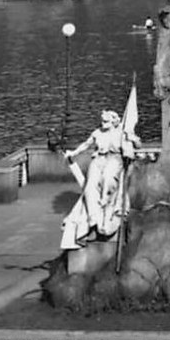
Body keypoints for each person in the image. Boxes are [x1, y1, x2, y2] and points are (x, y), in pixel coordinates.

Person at [60, 106, 140, 250]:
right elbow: (86, 144)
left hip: (114, 159)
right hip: (98, 160)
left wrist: (132, 139)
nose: (103, 123)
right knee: (90, 187)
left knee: (109, 179)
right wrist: (74, 152)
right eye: (103, 121)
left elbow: (138, 146)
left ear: (113, 122)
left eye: (106, 121)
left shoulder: (121, 133)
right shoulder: (97, 133)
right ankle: (93, 220)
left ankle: (106, 208)